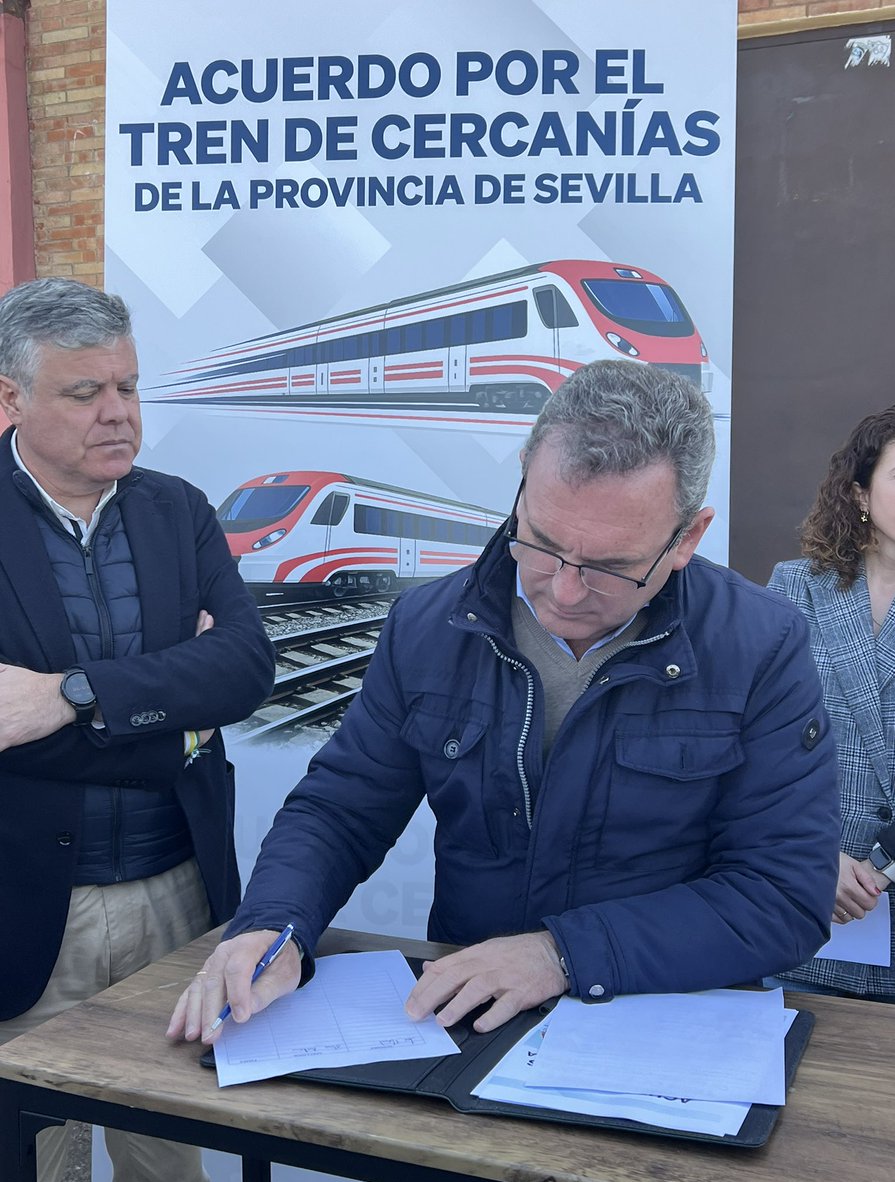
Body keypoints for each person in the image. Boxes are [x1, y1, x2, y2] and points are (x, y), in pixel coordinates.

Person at [169, 359, 840, 1047]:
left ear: (687, 538)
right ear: (523, 478)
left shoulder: (759, 646)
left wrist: (562, 954)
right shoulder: (429, 626)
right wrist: (275, 924)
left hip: (663, 1025)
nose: (565, 592)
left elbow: (783, 896)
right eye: (542, 544)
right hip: (468, 1022)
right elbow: (343, 809)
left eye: (611, 567)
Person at [0, 277, 276, 1182]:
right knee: (41, 1177)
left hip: (177, 899)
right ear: (12, 398)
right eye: (85, 392)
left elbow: (244, 668)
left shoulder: (178, 510)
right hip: (31, 913)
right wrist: (175, 724)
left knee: (169, 1176)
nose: (117, 412)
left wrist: (67, 695)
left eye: (127, 385)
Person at [767, 406, 895, 1001]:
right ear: (861, 493)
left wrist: (883, 865)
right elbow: (757, 745)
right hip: (808, 893)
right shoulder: (795, 587)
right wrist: (817, 857)